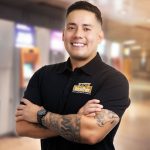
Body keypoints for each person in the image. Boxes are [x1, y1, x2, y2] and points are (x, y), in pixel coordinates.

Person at [15, 1, 130, 150]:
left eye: (86, 28)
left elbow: (91, 133)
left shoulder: (114, 80)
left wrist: (40, 115)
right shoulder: (43, 75)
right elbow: (22, 126)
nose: (78, 35)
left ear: (100, 36)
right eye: (71, 27)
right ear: (63, 35)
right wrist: (77, 119)